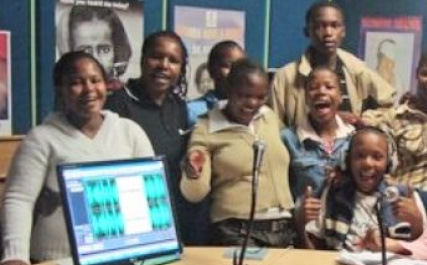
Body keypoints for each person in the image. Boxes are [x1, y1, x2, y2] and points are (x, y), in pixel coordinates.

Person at [0, 51, 153, 265]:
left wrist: (150, 247)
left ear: (106, 85)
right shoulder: (42, 138)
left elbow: (151, 192)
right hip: (54, 263)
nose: (89, 89)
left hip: (120, 259)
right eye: (75, 83)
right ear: (60, 90)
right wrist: (16, 253)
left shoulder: (129, 131)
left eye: (95, 80)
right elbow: (18, 199)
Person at [105, 31, 207, 245]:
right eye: (156, 57)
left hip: (176, 217)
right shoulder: (117, 105)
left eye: (173, 60)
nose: (164, 65)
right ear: (142, 60)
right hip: (135, 219)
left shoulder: (178, 106)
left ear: (181, 68)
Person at [181, 58, 295, 247]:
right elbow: (194, 194)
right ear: (229, 89)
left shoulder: (269, 117)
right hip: (237, 232)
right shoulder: (206, 126)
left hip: (284, 230)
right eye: (244, 95)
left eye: (260, 97)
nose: (252, 103)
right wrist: (194, 173)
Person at [270, 1, 396, 128]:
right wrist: (333, 118)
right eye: (320, 26)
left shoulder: (356, 69)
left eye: (335, 26)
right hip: (303, 146)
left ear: (343, 31)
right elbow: (273, 126)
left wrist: (364, 120)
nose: (328, 33)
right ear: (307, 31)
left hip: (351, 145)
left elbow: (390, 106)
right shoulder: (286, 78)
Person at [298, 126, 426, 250]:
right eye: (360, 156)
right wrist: (300, 224)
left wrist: (417, 224)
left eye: (377, 157)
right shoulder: (333, 194)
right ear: (347, 161)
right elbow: (314, 254)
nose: (367, 163)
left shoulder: (406, 196)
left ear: (389, 163)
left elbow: (424, 251)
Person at [363, 46, 427, 193]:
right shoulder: (395, 117)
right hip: (407, 198)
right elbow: (365, 124)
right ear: (416, 73)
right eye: (426, 74)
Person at [282, 66, 355, 200]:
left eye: (329, 87)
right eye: (313, 87)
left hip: (345, 219)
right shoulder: (288, 139)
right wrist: (298, 213)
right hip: (306, 220)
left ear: (340, 96)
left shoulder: (354, 139)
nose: (321, 92)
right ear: (305, 97)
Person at [59, 5, 132, 90]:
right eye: (85, 51)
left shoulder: (127, 96)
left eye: (105, 50)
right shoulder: (62, 96)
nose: (96, 60)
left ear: (116, 51)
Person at [187, 40, 246, 125]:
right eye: (228, 66)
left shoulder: (252, 112)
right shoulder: (192, 111)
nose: (235, 72)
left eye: (241, 66)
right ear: (211, 70)